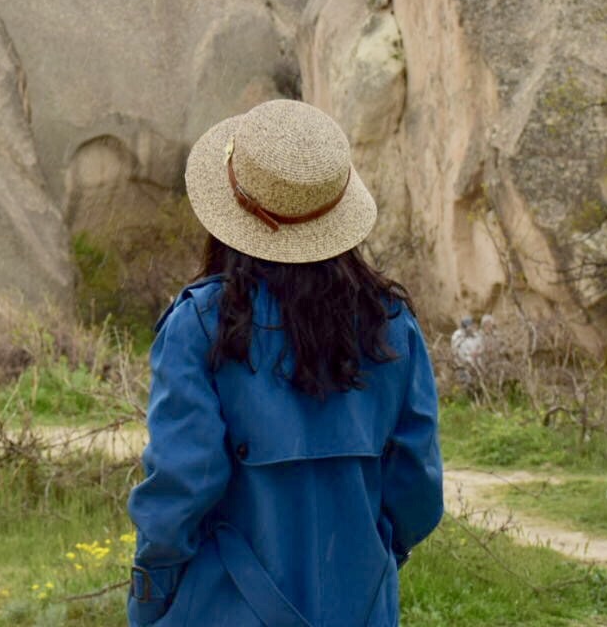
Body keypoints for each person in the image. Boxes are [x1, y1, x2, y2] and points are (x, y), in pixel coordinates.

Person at [127, 99, 444, 627]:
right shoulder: (392, 325)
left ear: (230, 207)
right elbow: (417, 491)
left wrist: (150, 597)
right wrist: (372, 562)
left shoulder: (199, 327)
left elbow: (181, 485)